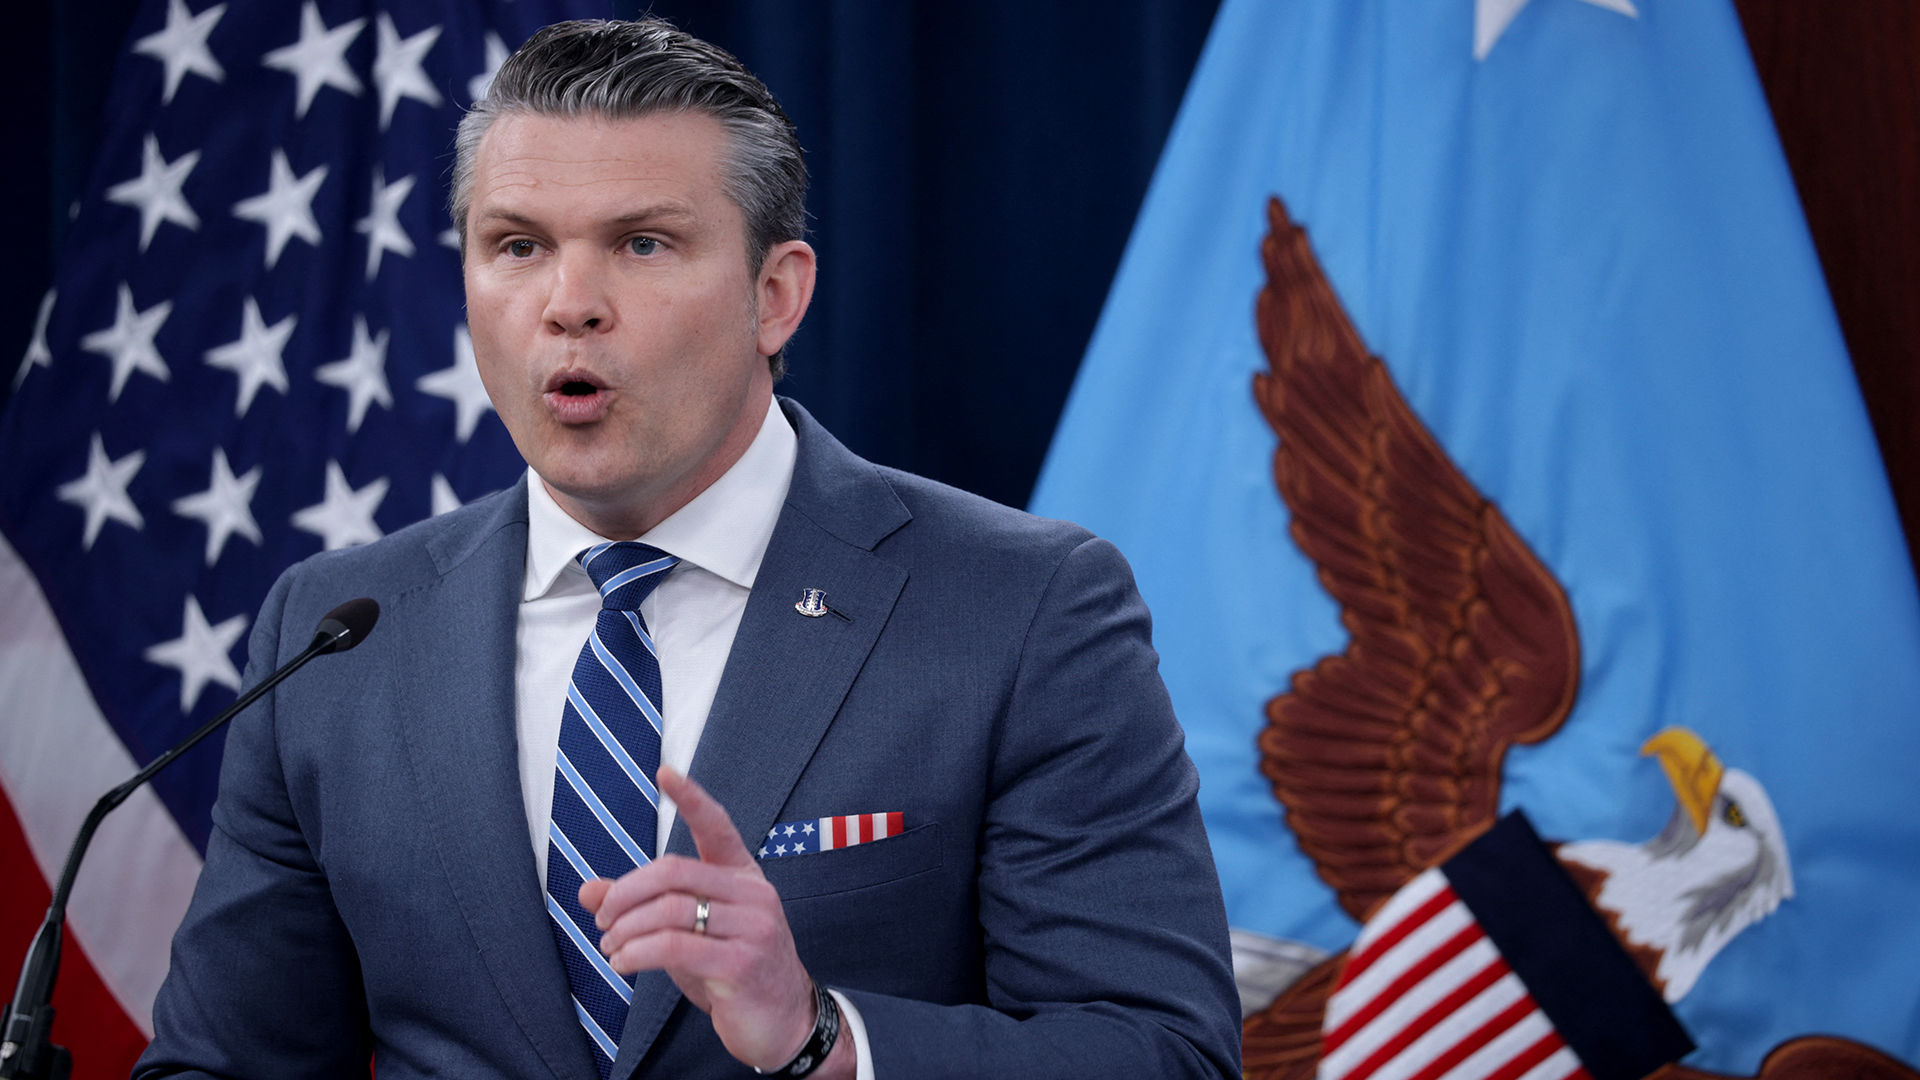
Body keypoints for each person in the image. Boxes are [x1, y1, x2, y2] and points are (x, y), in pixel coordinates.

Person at [136, 18, 1239, 1080]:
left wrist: (825, 1040)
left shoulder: (1024, 608)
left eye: (642, 243)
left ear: (775, 296)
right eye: (517, 246)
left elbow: (1160, 1052)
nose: (569, 306)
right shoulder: (334, 635)